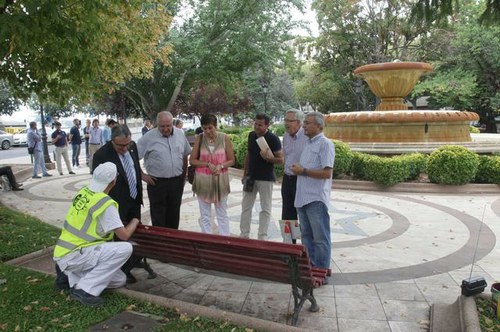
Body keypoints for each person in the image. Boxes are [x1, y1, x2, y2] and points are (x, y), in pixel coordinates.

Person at [53, 162, 140, 306]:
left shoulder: (84, 192)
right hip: (76, 254)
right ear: (113, 181)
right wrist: (135, 221)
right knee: (125, 248)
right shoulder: (105, 203)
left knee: (120, 280)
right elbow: (124, 235)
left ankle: (70, 278)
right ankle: (84, 290)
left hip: (66, 252)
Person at [92, 125, 156, 282]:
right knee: (120, 238)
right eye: (121, 145)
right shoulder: (102, 155)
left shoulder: (132, 146)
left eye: (128, 144)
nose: (125, 148)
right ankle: (123, 269)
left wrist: (142, 176)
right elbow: (99, 182)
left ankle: (134, 260)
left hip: (134, 199)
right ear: (112, 140)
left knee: (136, 232)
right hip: (116, 203)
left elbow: (134, 166)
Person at [291, 112, 335, 276]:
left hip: (316, 198)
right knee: (307, 238)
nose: (304, 126)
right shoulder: (308, 144)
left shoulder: (326, 144)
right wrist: (299, 169)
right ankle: (310, 270)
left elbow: (326, 173)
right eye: (304, 123)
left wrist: (303, 171)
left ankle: (321, 273)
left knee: (320, 239)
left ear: (319, 126)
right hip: (302, 198)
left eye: (308, 123)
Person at [137, 111, 191, 229]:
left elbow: (185, 155)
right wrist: (143, 176)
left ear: (172, 123)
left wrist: (183, 175)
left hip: (176, 182)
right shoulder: (148, 137)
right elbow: (133, 157)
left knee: (174, 214)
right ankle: (159, 243)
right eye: (162, 126)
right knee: (158, 216)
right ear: (157, 124)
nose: (166, 129)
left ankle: (173, 242)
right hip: (157, 183)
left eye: (168, 126)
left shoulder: (180, 134)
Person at [239, 113, 283, 240]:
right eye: (255, 124)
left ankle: (262, 236)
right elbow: (249, 154)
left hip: (266, 178)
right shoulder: (251, 135)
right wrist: (244, 173)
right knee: (246, 207)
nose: (257, 127)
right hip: (250, 177)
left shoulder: (273, 139)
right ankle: (244, 235)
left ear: (267, 125)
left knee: (265, 208)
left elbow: (281, 160)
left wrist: (269, 158)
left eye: (260, 125)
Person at [190, 113, 235, 235]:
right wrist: (206, 164)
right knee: (205, 215)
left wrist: (221, 166)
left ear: (216, 126)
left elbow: (232, 160)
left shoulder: (224, 138)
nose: (207, 131)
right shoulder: (200, 138)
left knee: (222, 214)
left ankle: (224, 240)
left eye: (210, 127)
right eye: (204, 128)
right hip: (203, 182)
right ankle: (207, 241)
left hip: (221, 182)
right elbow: (192, 160)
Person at [281, 109, 307, 244]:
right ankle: (289, 247)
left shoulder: (307, 137)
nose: (286, 124)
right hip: (287, 179)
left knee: (303, 215)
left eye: (289, 121)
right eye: (285, 120)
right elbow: (285, 156)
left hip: (301, 180)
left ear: (299, 123)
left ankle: (305, 248)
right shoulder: (285, 135)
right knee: (287, 215)